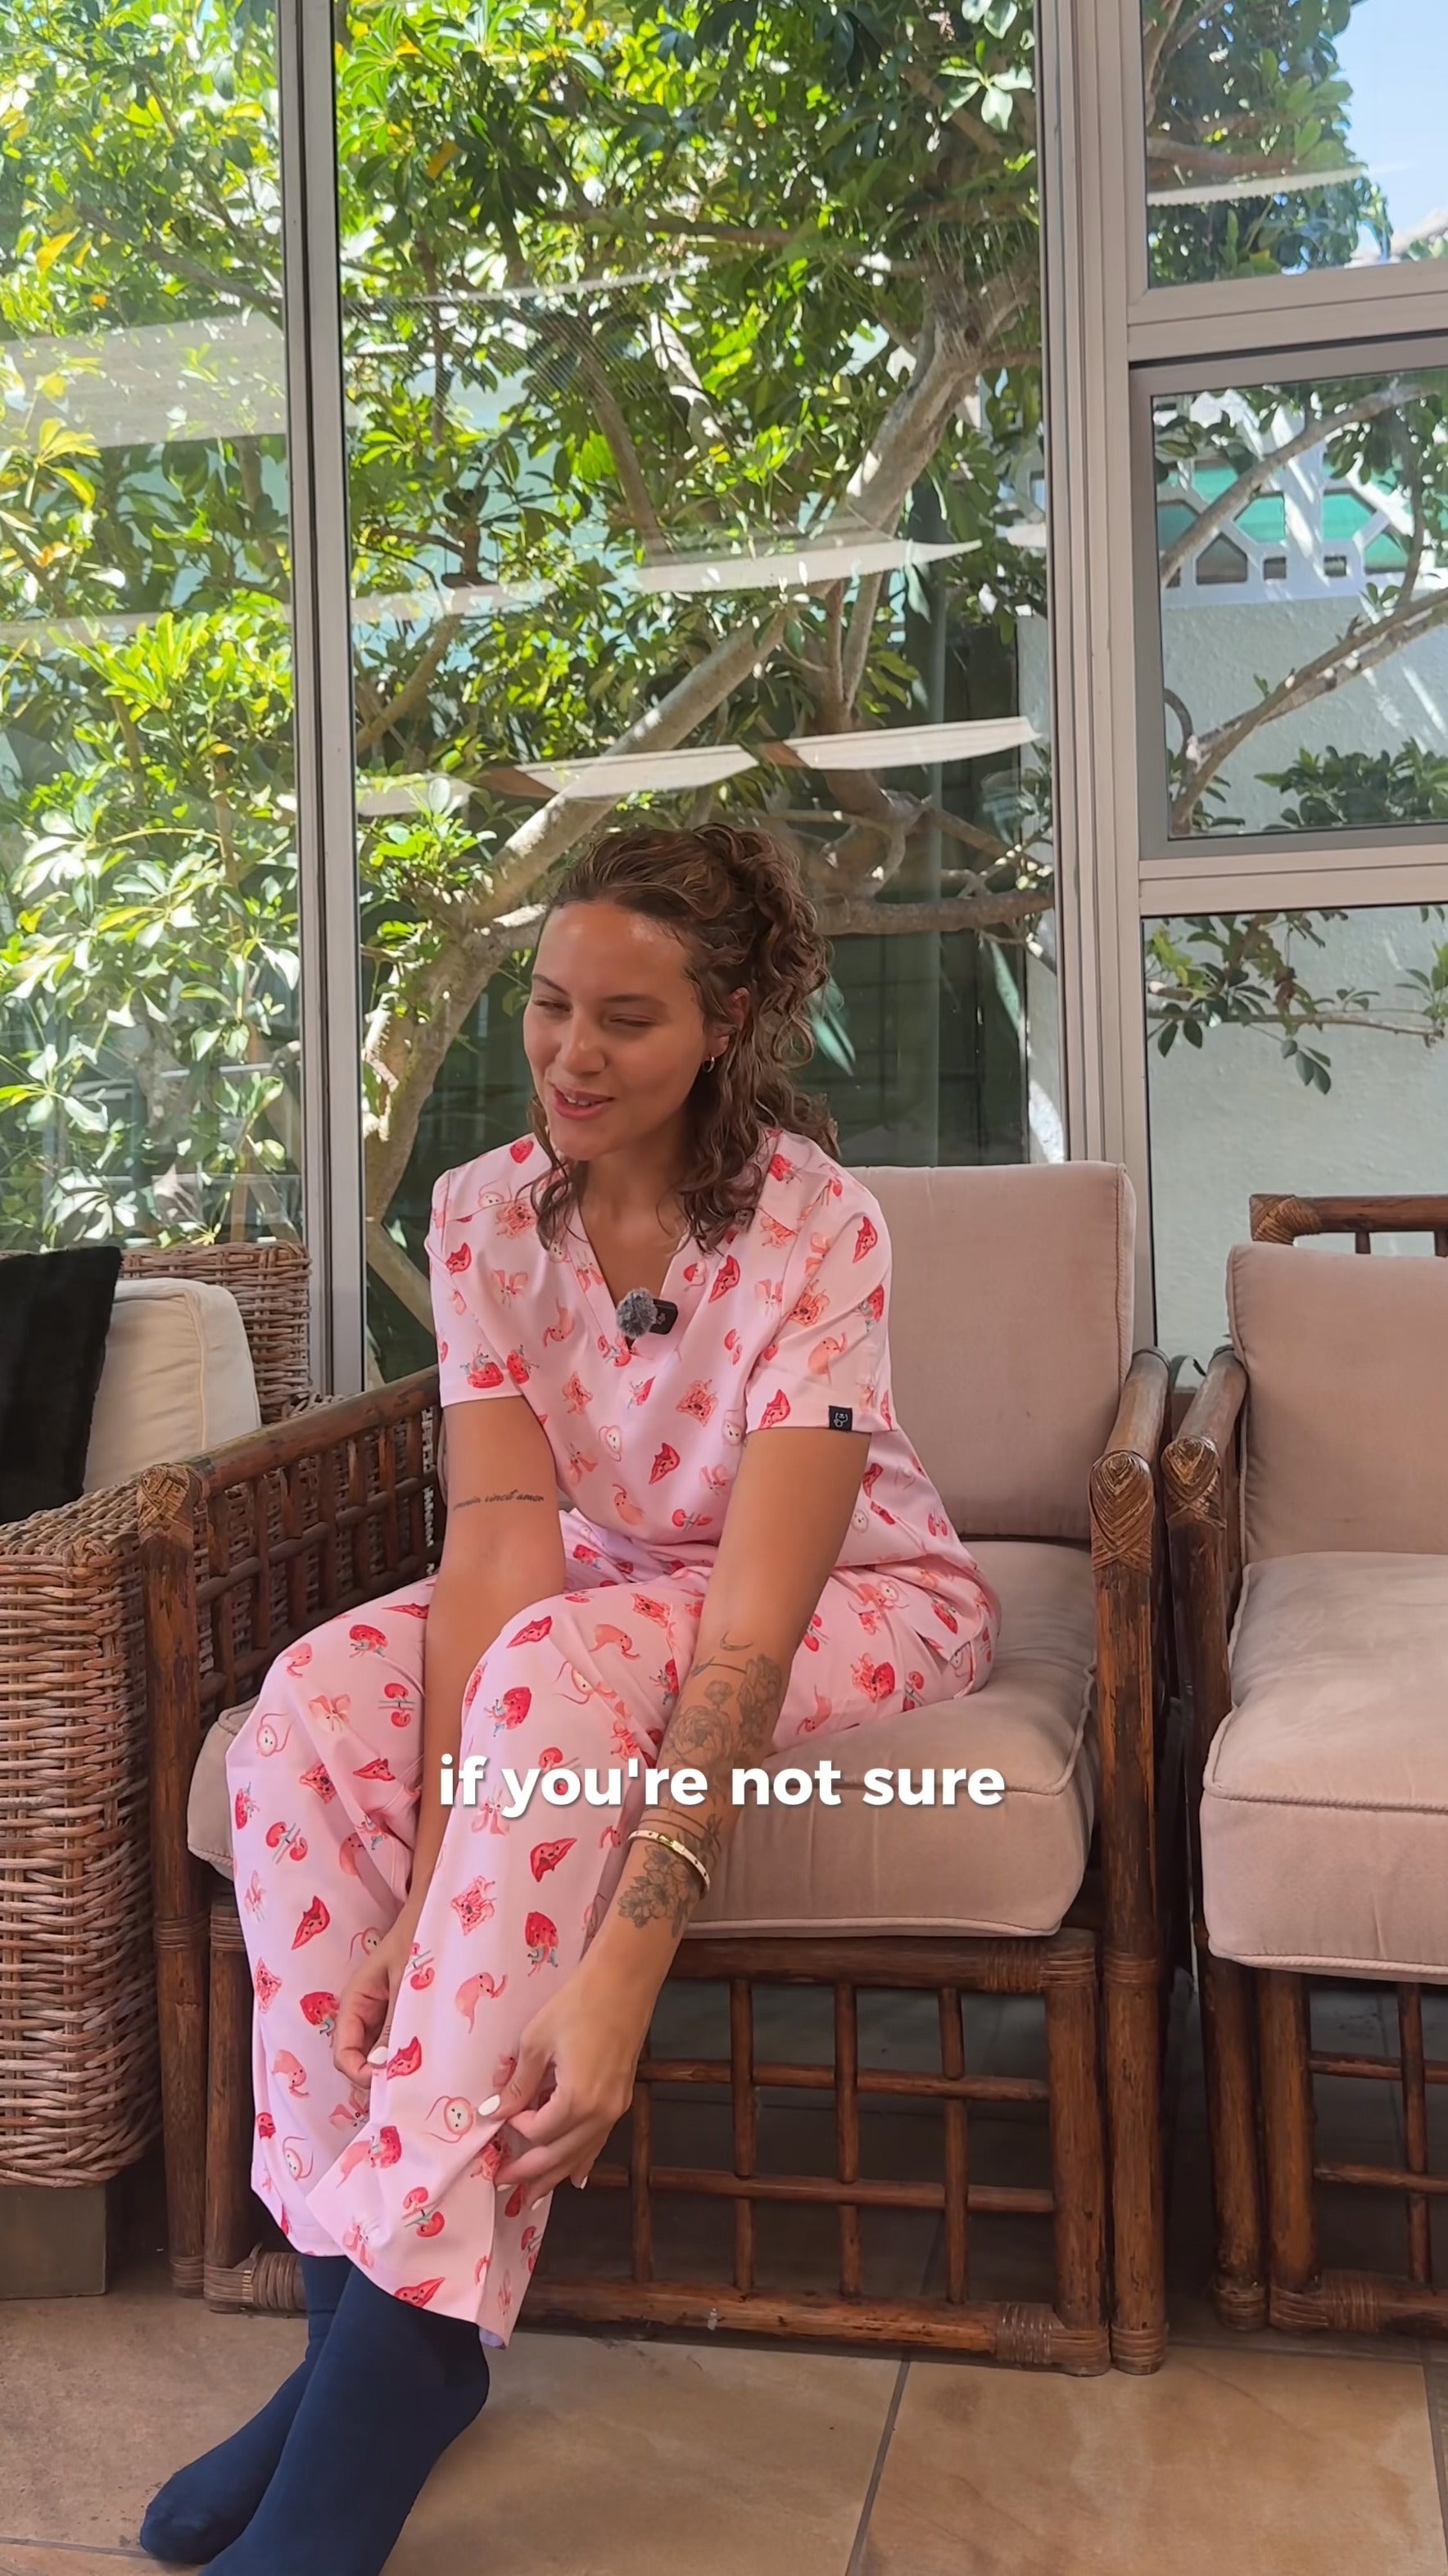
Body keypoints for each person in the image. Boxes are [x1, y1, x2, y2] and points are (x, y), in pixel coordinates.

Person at [139, 820, 1001, 2574]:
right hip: (600, 1597)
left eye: (625, 1017)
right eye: (548, 1005)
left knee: (556, 1665)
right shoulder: (483, 1214)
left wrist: (620, 1971)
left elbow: (745, 1631)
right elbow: (501, 1545)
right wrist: (433, 1869)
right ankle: (355, 2340)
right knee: (304, 1707)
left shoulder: (816, 1227)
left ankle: (388, 2374)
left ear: (725, 1022)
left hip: (852, 1597)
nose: (570, 1053)